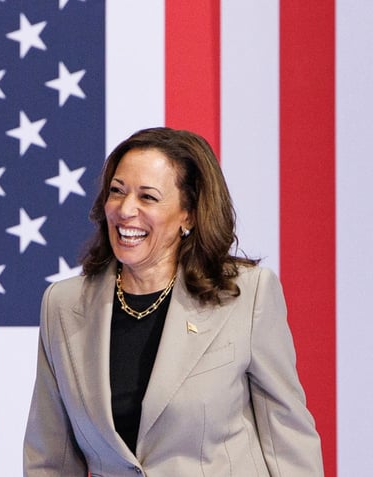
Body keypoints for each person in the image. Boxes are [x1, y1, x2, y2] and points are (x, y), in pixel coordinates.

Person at [23, 127, 323, 476]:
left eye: (148, 197)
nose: (125, 210)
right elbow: (50, 458)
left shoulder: (247, 295)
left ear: (189, 214)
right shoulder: (62, 304)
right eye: (117, 192)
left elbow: (286, 438)